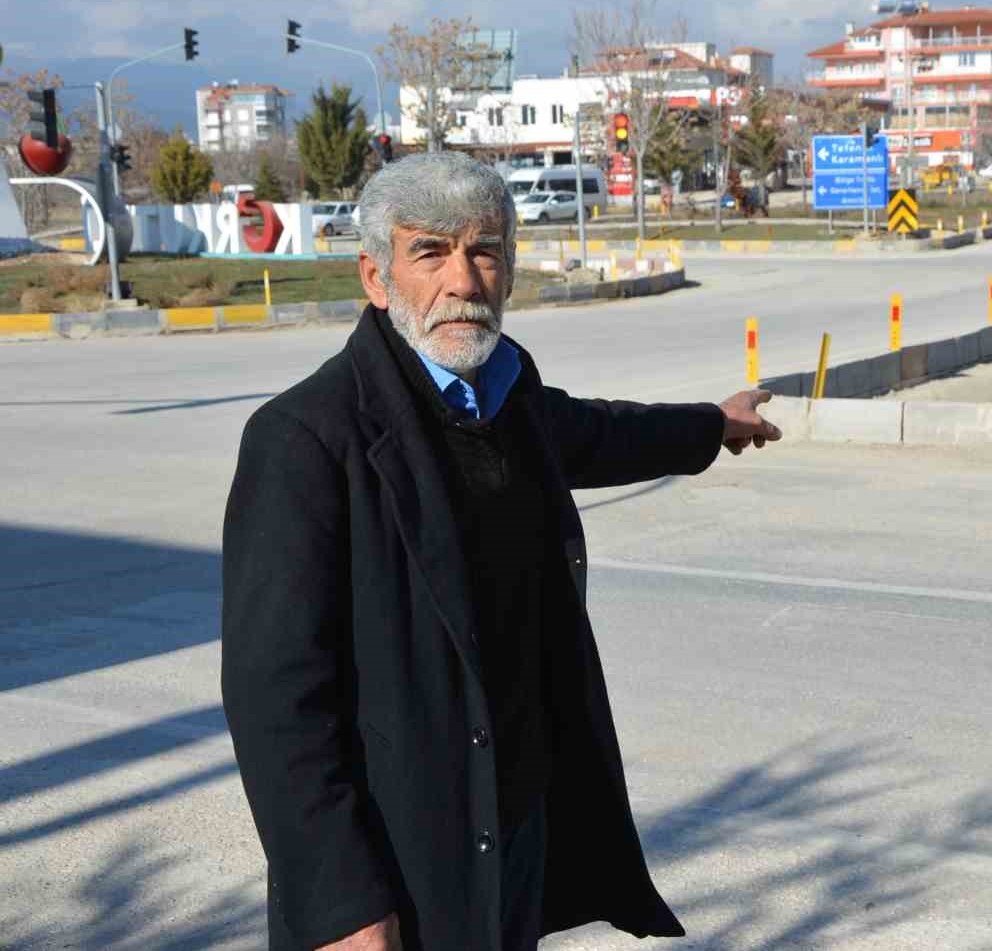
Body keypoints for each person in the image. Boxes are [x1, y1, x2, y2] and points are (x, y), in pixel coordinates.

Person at [221, 152, 781, 950]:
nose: (463, 280)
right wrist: (340, 903)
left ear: (511, 269)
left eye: (484, 250)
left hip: (511, 832)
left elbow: (597, 430)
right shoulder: (306, 440)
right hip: (397, 863)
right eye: (430, 252)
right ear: (377, 278)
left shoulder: (506, 401)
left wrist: (710, 424)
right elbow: (277, 701)